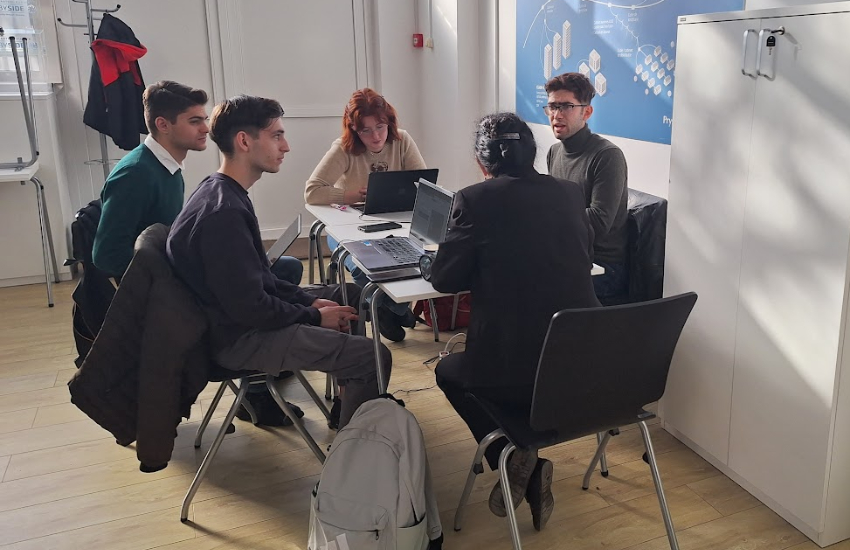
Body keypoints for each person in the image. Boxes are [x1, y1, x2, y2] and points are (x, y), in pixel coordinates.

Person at [167, 94, 391, 430]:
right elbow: (252, 308)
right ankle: (353, 459)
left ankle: (349, 404)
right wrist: (313, 315)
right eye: (276, 136)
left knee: (351, 295)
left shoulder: (223, 191)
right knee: (373, 358)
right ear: (244, 141)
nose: (285, 146)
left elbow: (259, 280)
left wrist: (306, 301)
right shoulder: (223, 214)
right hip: (236, 339)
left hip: (238, 320)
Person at [430, 113, 600, 531]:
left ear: (482, 162)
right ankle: (523, 457)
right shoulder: (570, 193)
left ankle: (512, 453)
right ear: (532, 153)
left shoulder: (473, 200)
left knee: (447, 369)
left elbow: (444, 279)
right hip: (587, 373)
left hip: (515, 372)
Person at [92, 80, 304, 285]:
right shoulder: (135, 173)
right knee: (282, 271)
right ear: (163, 125)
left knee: (276, 268)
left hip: (176, 271)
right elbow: (106, 256)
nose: (205, 129)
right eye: (195, 121)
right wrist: (176, 273)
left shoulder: (167, 166)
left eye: (204, 119)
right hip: (162, 291)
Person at [305, 88, 426, 341]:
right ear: (354, 130)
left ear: (389, 123)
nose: (375, 136)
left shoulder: (402, 140)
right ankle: (392, 309)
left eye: (380, 127)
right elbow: (312, 191)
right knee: (363, 268)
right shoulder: (343, 149)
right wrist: (352, 196)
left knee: (415, 259)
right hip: (347, 228)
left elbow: (424, 185)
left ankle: (389, 308)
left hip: (395, 224)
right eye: (366, 130)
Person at [545, 72, 629, 304]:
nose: (557, 115)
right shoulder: (555, 152)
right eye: (552, 107)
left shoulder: (607, 156)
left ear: (587, 112)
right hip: (567, 252)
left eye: (566, 107)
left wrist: (547, 219)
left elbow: (599, 222)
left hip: (603, 266)